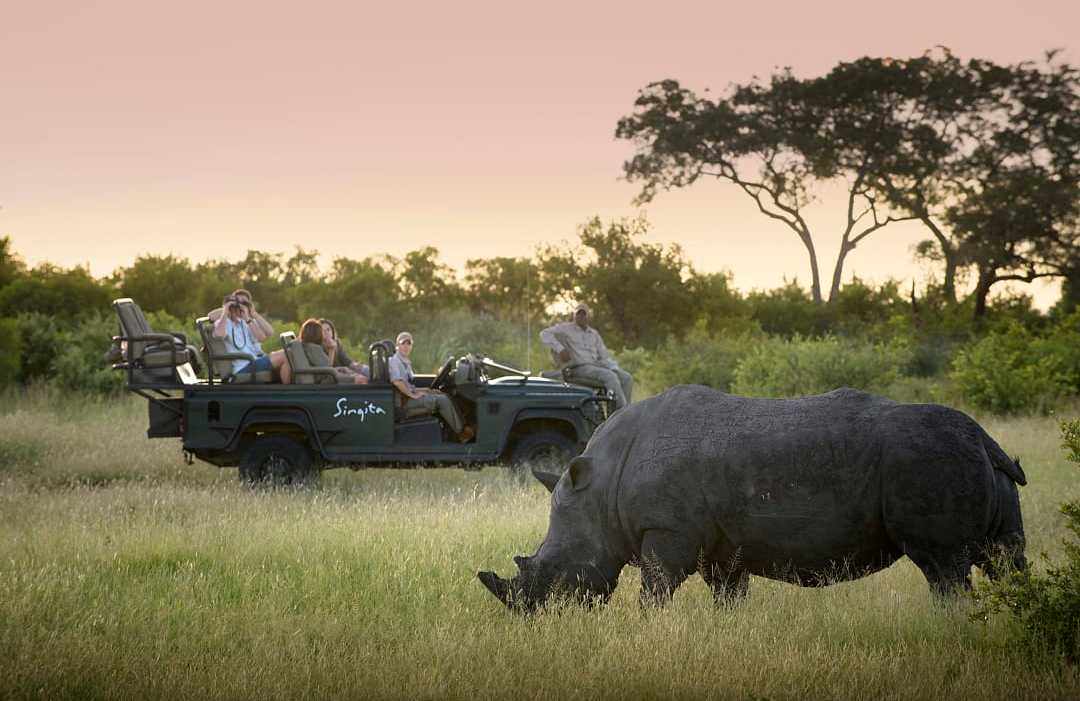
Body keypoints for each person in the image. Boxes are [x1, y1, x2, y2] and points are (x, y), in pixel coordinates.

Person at [540, 302, 633, 410]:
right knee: (610, 376)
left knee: (627, 378)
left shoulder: (594, 334)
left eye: (583, 314)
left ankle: (624, 412)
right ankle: (622, 412)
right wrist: (560, 349)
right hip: (579, 367)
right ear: (574, 315)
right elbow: (544, 333)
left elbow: (604, 356)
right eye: (578, 314)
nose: (581, 316)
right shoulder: (566, 328)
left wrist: (614, 368)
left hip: (597, 366)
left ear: (588, 316)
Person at [388, 331, 473, 442]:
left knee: (440, 394)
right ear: (397, 346)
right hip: (404, 404)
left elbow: (409, 385)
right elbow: (397, 382)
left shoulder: (405, 362)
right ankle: (461, 433)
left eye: (409, 343)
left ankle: (460, 429)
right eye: (403, 343)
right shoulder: (394, 361)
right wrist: (413, 395)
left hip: (408, 398)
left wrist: (427, 390)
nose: (406, 346)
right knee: (442, 400)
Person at [209, 288, 290, 383]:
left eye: (244, 303)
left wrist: (250, 316)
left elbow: (263, 337)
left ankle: (289, 388)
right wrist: (226, 310)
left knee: (289, 353)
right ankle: (288, 392)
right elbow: (219, 335)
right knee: (285, 354)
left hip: (253, 361)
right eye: (237, 302)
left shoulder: (244, 322)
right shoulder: (224, 322)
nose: (240, 306)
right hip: (243, 366)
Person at [297, 319, 367, 384]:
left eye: (328, 330)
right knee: (361, 379)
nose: (326, 333)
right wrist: (332, 349)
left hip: (331, 374)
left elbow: (346, 361)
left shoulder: (314, 347)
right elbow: (327, 370)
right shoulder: (314, 348)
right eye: (321, 331)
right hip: (328, 378)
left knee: (361, 372)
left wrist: (353, 368)